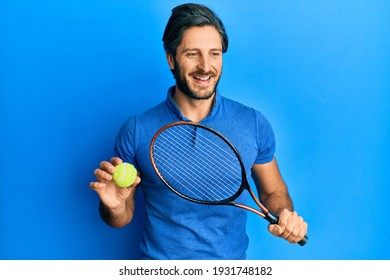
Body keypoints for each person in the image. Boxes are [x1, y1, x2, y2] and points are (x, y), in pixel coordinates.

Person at [90, 3, 308, 260]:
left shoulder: (253, 123)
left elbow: (272, 192)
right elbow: (121, 218)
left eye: (214, 54)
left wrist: (284, 214)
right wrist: (114, 206)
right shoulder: (137, 130)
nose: (206, 66)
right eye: (193, 54)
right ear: (171, 58)